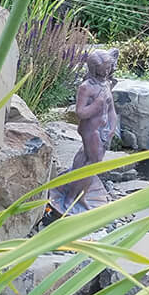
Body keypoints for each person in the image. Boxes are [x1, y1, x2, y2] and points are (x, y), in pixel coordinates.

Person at [50, 48, 118, 215]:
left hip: (103, 129)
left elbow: (111, 110)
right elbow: (80, 113)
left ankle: (79, 194)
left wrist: (112, 128)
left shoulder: (106, 83)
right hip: (91, 130)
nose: (108, 71)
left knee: (84, 159)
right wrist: (97, 104)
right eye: (104, 68)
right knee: (93, 164)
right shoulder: (86, 88)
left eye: (109, 67)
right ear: (94, 68)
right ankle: (72, 196)